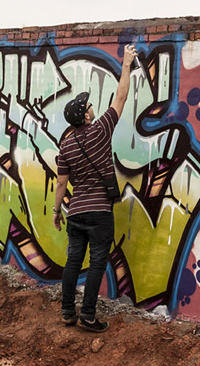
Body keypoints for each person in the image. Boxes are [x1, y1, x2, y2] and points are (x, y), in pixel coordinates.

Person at [53, 43, 138, 333]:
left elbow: (61, 183)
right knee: (98, 262)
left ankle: (68, 312)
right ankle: (88, 316)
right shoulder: (101, 130)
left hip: (76, 213)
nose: (92, 106)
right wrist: (126, 65)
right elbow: (121, 97)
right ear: (86, 116)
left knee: (73, 261)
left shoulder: (65, 146)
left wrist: (57, 211)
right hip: (100, 212)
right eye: (88, 105)